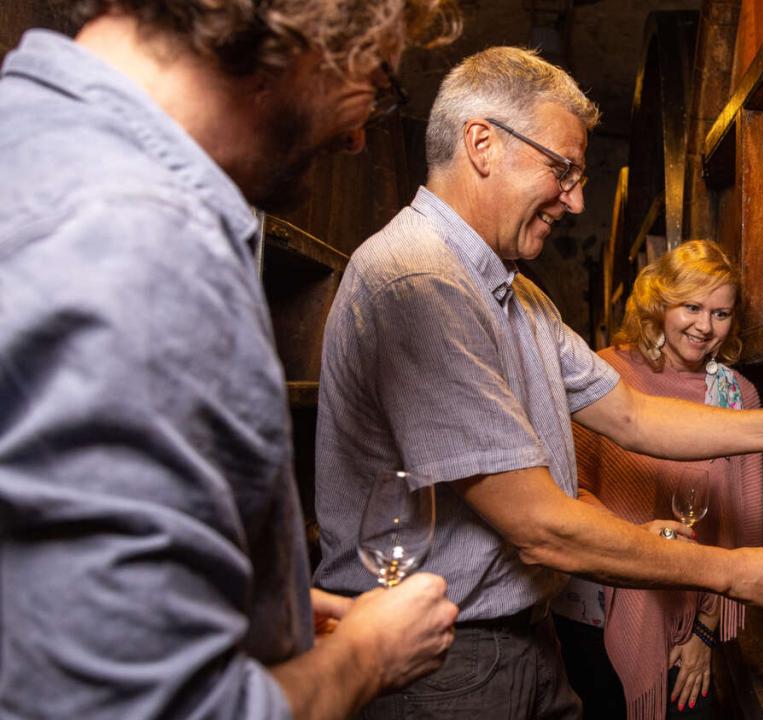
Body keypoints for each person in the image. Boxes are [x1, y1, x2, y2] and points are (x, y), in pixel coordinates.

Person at [311, 46, 763, 720]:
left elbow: (633, 414)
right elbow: (541, 528)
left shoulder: (519, 297)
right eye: (563, 170)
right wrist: (730, 572)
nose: (576, 200)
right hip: (440, 663)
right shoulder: (421, 282)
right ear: (482, 143)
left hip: (520, 639)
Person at [0, 2, 464, 718]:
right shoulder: (139, 245)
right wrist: (368, 656)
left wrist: (256, 604)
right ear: (303, 26)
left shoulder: (32, 141)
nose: (360, 135)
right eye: (376, 75)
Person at [551, 239, 763, 720]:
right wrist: (629, 539)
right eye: (691, 307)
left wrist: (704, 633)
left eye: (721, 313)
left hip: (683, 623)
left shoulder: (735, 395)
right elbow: (568, 488)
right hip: (589, 611)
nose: (704, 326)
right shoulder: (604, 376)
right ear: (660, 304)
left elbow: (741, 529)